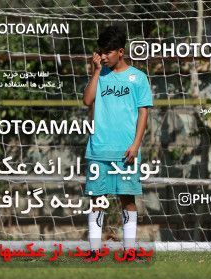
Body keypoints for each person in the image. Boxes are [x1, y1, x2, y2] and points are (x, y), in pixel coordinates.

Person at [82, 25, 153, 262]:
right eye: (100, 52)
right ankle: (94, 251)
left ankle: (129, 250)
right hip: (98, 149)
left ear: (120, 52)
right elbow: (87, 100)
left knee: (127, 199)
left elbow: (143, 113)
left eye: (107, 52)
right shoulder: (100, 74)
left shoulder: (138, 78)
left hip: (126, 152)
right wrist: (95, 71)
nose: (102, 56)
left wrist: (136, 145)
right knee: (97, 200)